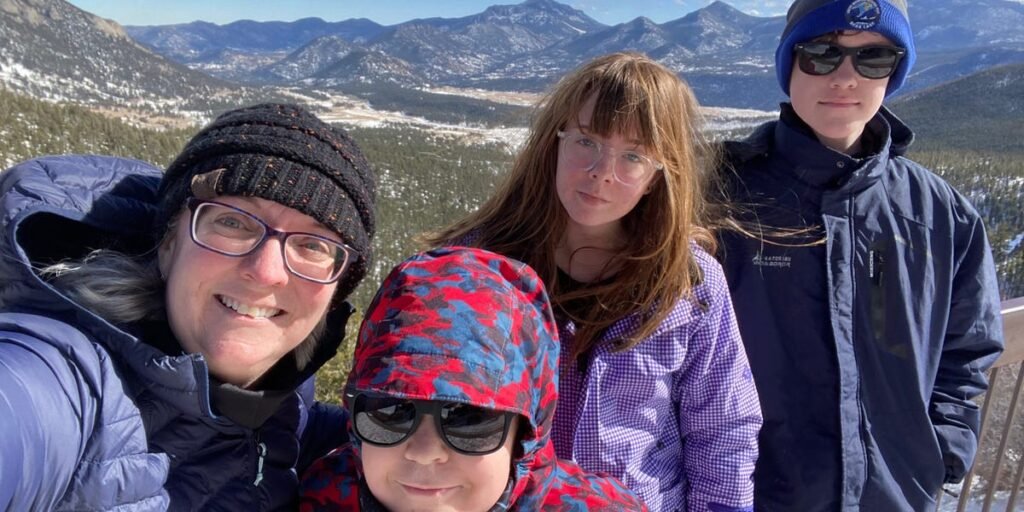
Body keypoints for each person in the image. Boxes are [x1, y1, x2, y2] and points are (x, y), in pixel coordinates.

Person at [426, 52, 762, 512]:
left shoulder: (689, 284)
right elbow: (422, 403)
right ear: (554, 141)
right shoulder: (476, 266)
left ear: (658, 175)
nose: (602, 171)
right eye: (586, 141)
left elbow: (723, 428)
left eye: (633, 156)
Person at [0, 103, 376, 510]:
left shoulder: (281, 411)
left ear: (334, 291)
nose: (267, 272)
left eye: (313, 245)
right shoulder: (60, 381)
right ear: (168, 244)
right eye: (233, 222)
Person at [716, 1, 1006, 510]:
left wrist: (943, 451)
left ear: (894, 72)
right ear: (789, 63)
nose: (845, 77)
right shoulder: (721, 198)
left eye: (874, 58)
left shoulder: (940, 213)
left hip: (897, 496)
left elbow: (967, 348)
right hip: (750, 496)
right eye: (821, 54)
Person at [299, 247, 647, 511]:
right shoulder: (325, 496)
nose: (425, 453)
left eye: (468, 418)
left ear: (527, 435)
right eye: (389, 411)